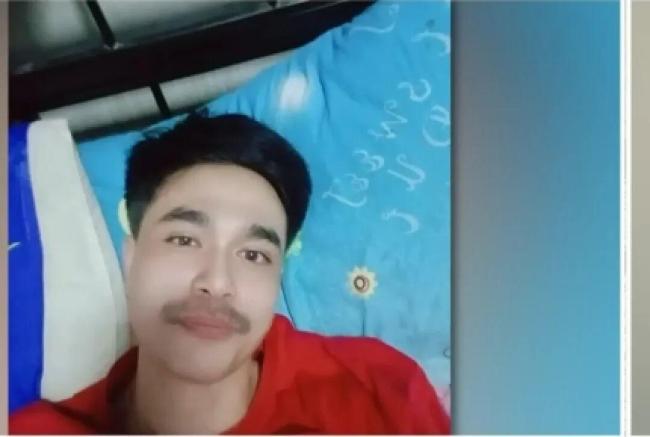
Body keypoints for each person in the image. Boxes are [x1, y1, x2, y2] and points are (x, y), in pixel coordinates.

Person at [9, 112, 450, 434]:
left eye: (254, 255)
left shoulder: (378, 390)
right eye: (184, 240)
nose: (217, 282)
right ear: (131, 257)